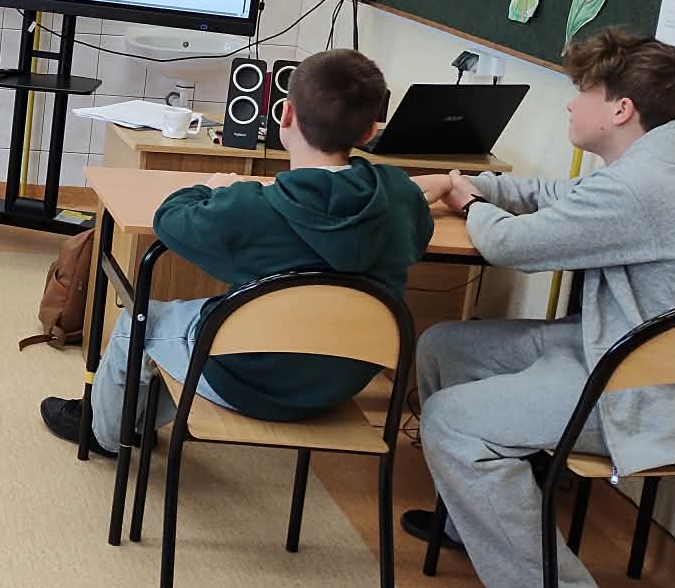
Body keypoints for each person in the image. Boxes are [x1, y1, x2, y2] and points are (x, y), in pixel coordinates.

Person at [405, 29, 675, 588]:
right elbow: (559, 197)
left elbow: (510, 245)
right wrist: (472, 183)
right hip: (632, 361)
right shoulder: (658, 170)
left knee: (451, 420)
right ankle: (480, 523)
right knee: (445, 347)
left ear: (621, 109)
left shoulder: (645, 189)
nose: (570, 103)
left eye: (583, 91)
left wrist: (469, 203)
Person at [41, 48, 433, 455]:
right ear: (370, 132)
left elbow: (168, 220)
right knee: (192, 322)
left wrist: (209, 189)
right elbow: (415, 219)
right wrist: (443, 185)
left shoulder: (249, 208)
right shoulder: (398, 196)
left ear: (285, 115)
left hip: (246, 380)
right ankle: (135, 419)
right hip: (340, 382)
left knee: (137, 322)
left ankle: (103, 435)